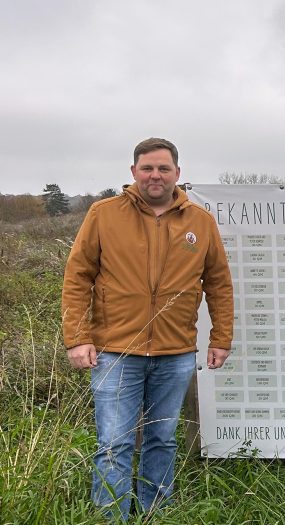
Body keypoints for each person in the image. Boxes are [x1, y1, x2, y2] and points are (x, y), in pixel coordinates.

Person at [62, 137, 233, 520]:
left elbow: (219, 283)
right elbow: (78, 276)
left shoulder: (200, 222)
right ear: (134, 172)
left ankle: (156, 511)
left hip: (175, 353)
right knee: (114, 443)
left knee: (161, 439)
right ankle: (112, 515)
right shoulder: (103, 214)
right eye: (147, 168)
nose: (155, 175)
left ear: (177, 173)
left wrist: (221, 338)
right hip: (115, 352)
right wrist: (78, 338)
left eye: (163, 168)